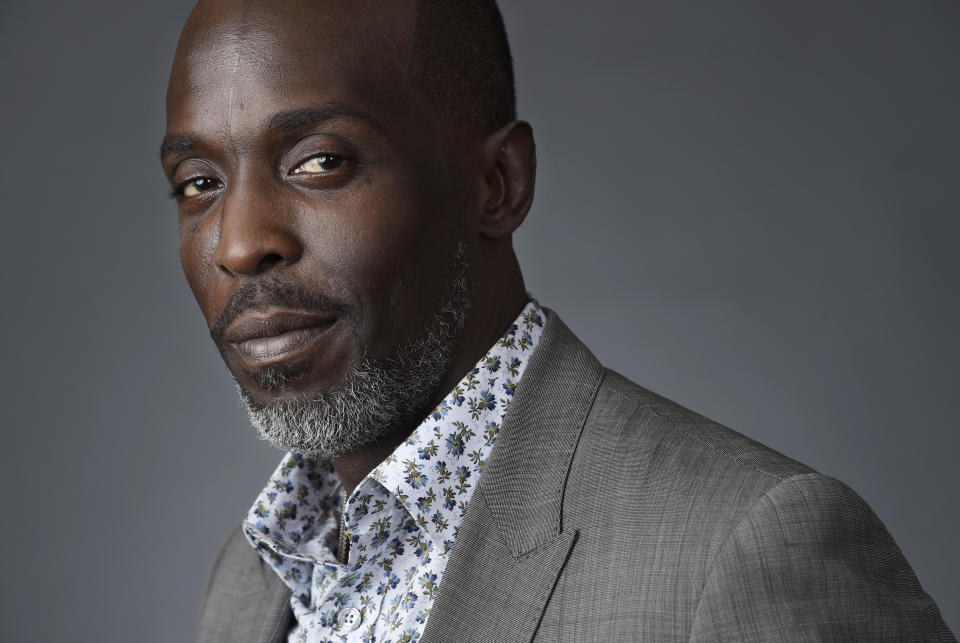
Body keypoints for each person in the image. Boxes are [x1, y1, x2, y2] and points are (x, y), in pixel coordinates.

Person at [160, 1, 955, 641]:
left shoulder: (743, 550)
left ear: (497, 183)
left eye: (320, 160)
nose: (238, 243)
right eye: (198, 182)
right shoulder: (253, 577)